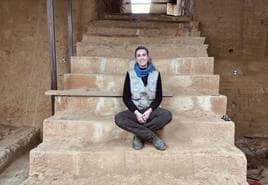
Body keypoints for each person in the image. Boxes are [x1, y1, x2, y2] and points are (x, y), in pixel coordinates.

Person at [114, 46, 172, 151]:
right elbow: (126, 98)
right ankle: (153, 138)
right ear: (136, 58)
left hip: (150, 111)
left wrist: (149, 111)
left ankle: (139, 135)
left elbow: (158, 97)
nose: (141, 58)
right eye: (138, 55)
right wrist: (137, 113)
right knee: (119, 118)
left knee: (167, 115)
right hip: (135, 111)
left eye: (144, 55)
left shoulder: (156, 74)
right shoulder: (130, 74)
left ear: (148, 57)